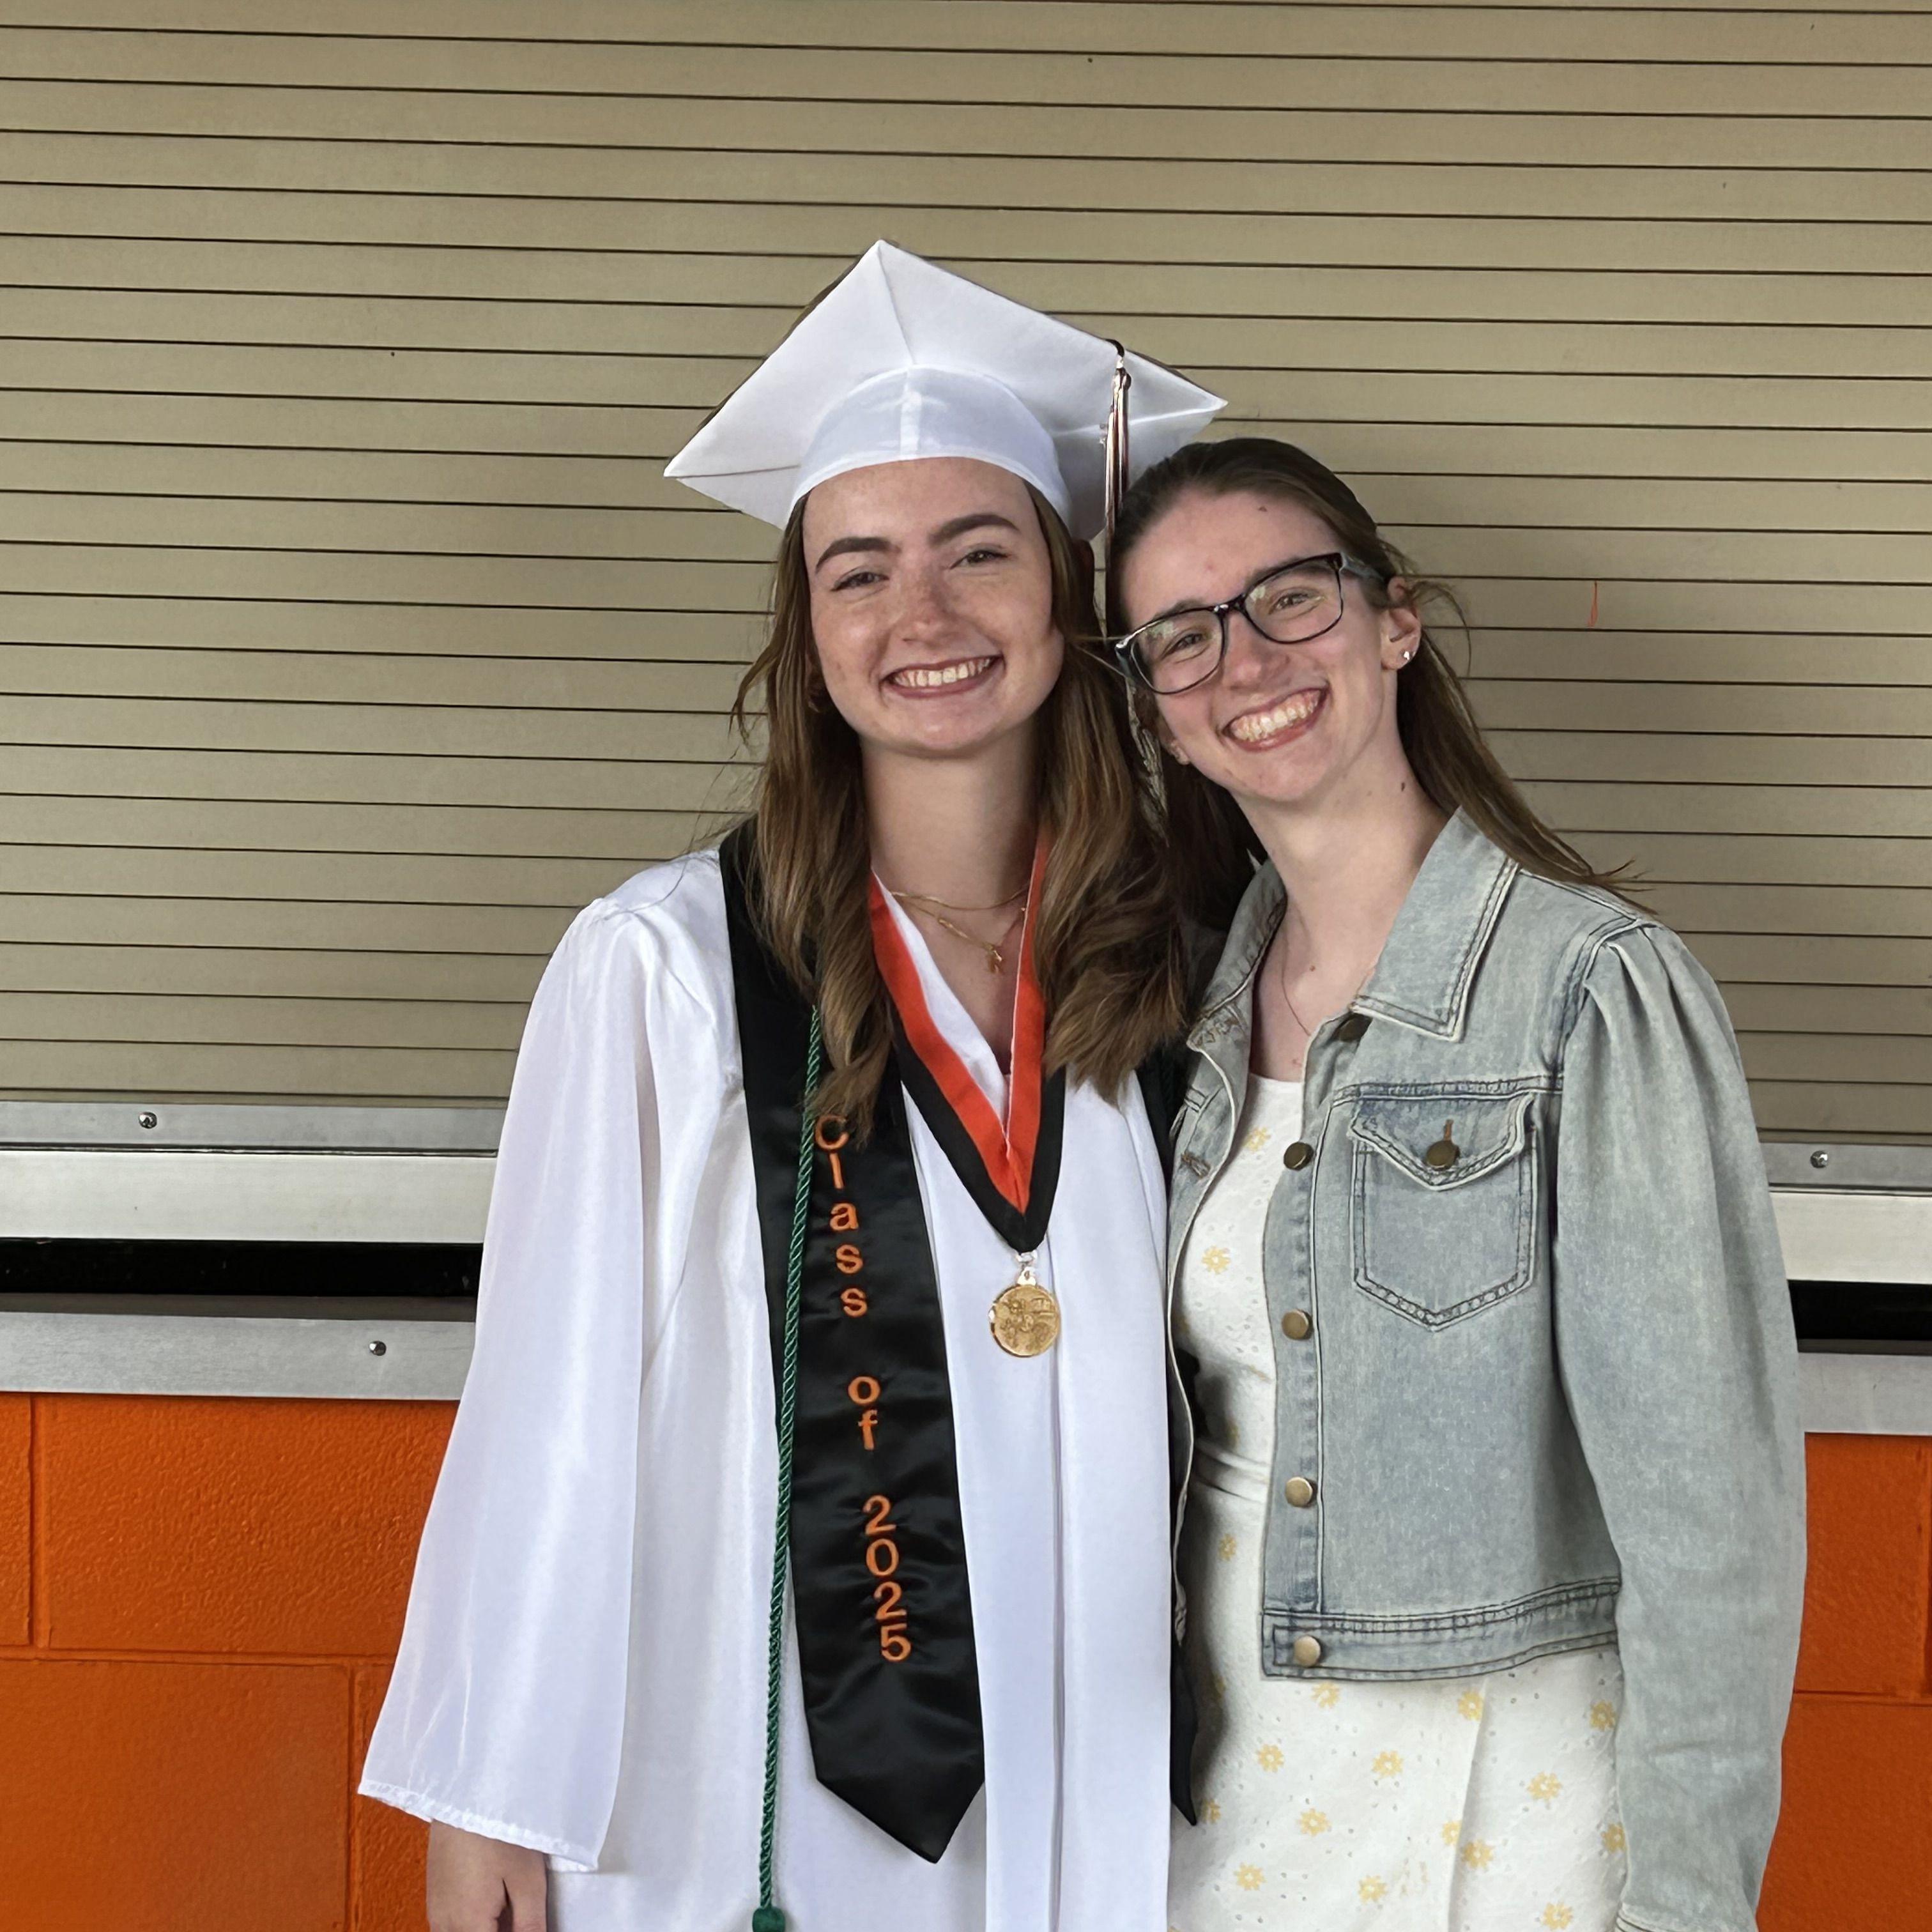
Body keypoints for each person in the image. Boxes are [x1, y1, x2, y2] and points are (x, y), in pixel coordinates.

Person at [359, 241, 1224, 1932]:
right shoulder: (666, 969)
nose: (926, 618)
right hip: (754, 1772)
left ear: (1066, 596)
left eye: (980, 551)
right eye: (860, 571)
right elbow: (548, 1400)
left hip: (1112, 1766)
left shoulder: (1180, 967)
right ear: (807, 630)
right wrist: (491, 1794)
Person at [1105, 436, 1804, 1932]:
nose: (1247, 659)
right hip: (1226, 1790)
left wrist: (1690, 1904)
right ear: (1159, 713)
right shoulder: (1191, 1015)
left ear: (1395, 623)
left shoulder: (1591, 989)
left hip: (1501, 1801)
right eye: (1184, 634)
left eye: (1291, 595)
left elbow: (1712, 1528)